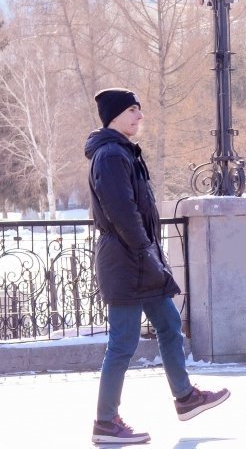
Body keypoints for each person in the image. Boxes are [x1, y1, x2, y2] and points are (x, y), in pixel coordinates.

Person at [86, 88, 228, 445]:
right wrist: (146, 251)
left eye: (140, 110)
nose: (139, 116)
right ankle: (105, 422)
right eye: (132, 110)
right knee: (123, 342)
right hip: (126, 260)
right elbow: (122, 213)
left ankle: (185, 398)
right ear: (115, 116)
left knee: (168, 324)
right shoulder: (110, 156)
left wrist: (148, 253)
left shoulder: (124, 153)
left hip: (138, 259)